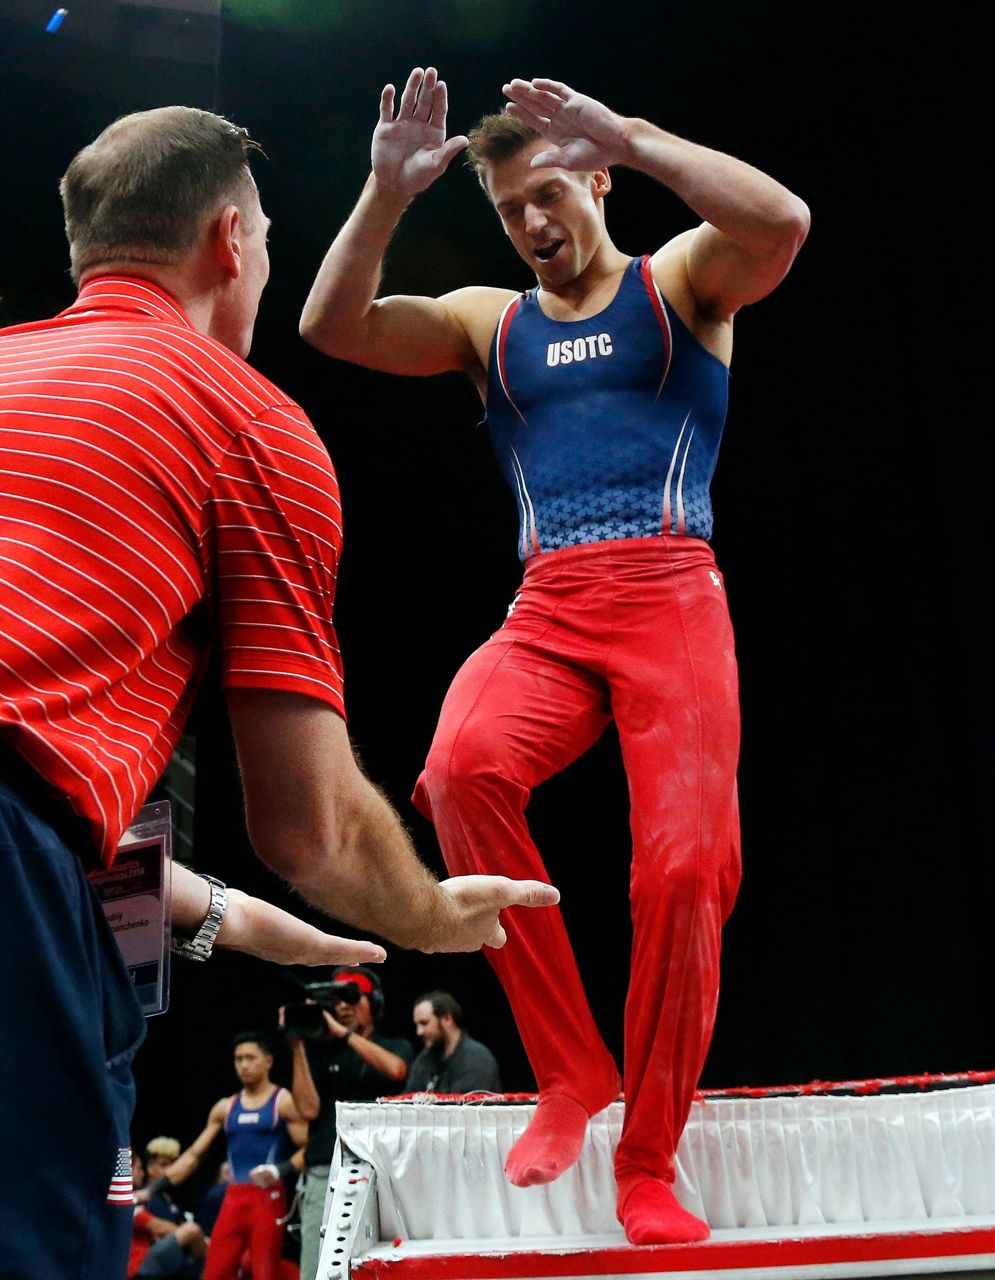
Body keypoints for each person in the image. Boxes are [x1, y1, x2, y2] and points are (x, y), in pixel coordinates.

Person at [0, 104, 560, 1278]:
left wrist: (244, 925)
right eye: (264, 236)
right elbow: (308, 826)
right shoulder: (243, 414)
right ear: (226, 241)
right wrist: (426, 914)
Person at [299, 68, 809, 1244]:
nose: (530, 225)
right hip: (549, 607)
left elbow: (779, 224)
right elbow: (332, 326)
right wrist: (384, 194)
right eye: (506, 209)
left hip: (671, 593)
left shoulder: (677, 283)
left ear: (590, 179)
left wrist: (632, 135)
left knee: (682, 872)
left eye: (545, 195)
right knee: (457, 768)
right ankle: (569, 1072)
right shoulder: (491, 320)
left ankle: (646, 1156)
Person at [283, 967, 411, 1280]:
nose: (343, 1006)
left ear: (375, 1002)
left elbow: (396, 1071)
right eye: (337, 1000)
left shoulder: (393, 1045)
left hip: (379, 1171)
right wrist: (297, 1046)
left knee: (379, 1262)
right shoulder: (320, 1050)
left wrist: (344, 1035)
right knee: (316, 1267)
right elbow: (307, 1109)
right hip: (324, 1169)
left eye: (353, 998)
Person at [140, 1033, 302, 1280]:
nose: (244, 1065)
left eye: (250, 1058)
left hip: (267, 1198)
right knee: (215, 1272)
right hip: (233, 1198)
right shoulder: (225, 1107)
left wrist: (281, 1169)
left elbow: (310, 1148)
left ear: (268, 1061)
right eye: (238, 1059)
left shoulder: (282, 1102)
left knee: (264, 1273)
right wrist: (151, 1190)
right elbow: (194, 1155)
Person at [129, 1150, 207, 1280]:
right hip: (136, 1267)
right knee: (192, 1231)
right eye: (139, 1168)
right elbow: (161, 1228)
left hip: (149, 1257)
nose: (141, 1173)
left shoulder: (168, 1198)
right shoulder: (129, 1198)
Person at [408, 990, 500, 1093]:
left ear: (447, 1019)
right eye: (417, 1025)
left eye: (424, 1023)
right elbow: (408, 1099)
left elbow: (466, 1105)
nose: (419, 1032)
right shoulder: (424, 1060)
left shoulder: (476, 1058)